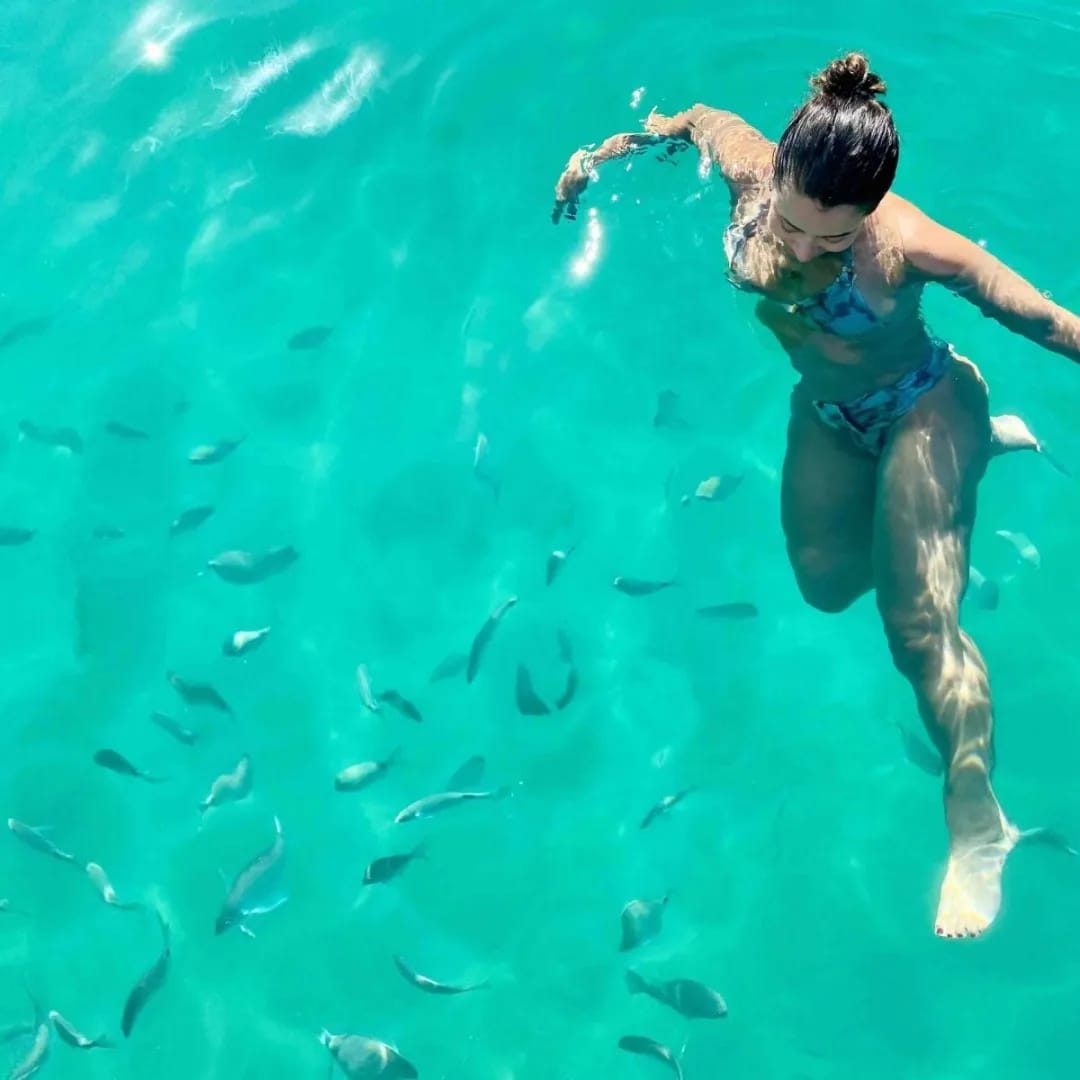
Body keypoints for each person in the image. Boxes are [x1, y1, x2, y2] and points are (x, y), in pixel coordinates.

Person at [552, 52, 1080, 939]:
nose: (803, 250)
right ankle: (956, 479)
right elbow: (687, 117)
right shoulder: (755, 165)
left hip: (923, 405)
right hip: (833, 410)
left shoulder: (906, 243)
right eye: (793, 226)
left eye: (832, 241)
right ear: (781, 176)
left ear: (867, 217)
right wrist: (599, 156)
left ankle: (976, 811)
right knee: (829, 581)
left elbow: (1037, 312)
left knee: (917, 622)